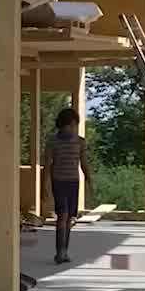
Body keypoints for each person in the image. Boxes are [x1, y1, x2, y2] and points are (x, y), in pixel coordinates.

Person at [45, 108, 93, 265]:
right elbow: (47, 165)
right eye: (70, 125)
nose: (72, 129)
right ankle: (59, 251)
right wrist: (43, 186)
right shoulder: (52, 141)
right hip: (59, 181)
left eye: (74, 126)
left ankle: (65, 250)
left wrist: (89, 179)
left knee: (69, 219)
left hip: (73, 182)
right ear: (62, 125)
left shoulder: (80, 142)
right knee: (62, 216)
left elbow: (84, 163)